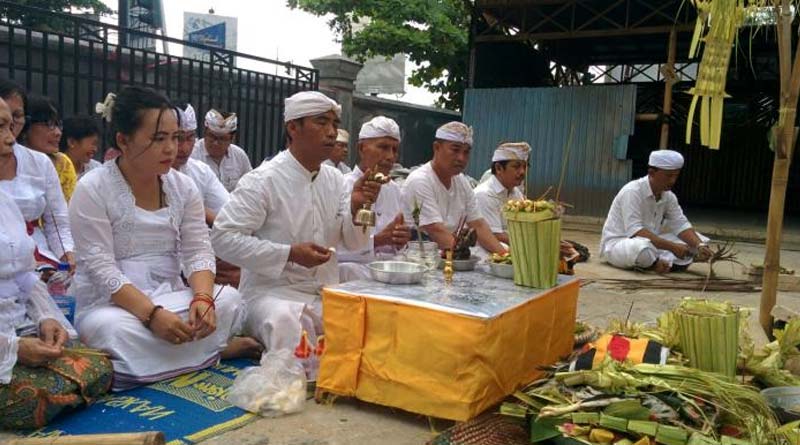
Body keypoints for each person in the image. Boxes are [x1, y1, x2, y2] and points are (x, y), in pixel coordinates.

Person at [69, 87, 257, 391]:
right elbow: (103, 270)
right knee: (112, 330)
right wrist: (152, 315)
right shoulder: (92, 189)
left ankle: (174, 357)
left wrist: (203, 299)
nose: (172, 148)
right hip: (114, 306)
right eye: (159, 139)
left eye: (176, 137)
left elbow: (198, 251)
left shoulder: (183, 187)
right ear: (123, 141)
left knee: (230, 301)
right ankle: (210, 351)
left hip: (172, 296)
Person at [211, 91, 381, 369]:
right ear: (293, 127)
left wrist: (356, 208)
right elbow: (222, 238)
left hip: (323, 290)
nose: (331, 133)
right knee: (286, 321)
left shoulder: (337, 180)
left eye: (334, 125)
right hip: (271, 294)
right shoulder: (263, 180)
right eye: (321, 123)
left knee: (367, 316)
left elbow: (354, 242)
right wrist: (289, 254)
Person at [0, 97, 112, 429]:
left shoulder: (6, 201)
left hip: (16, 324)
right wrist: (15, 349)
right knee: (32, 397)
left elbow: (23, 277)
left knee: (101, 366)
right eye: (0, 127)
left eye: (10, 125)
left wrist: (48, 319)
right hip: (7, 341)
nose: (10, 138)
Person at [0, 79, 75, 272]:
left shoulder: (40, 163)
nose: (10, 127)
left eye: (17, 116)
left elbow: (57, 221)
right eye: (2, 121)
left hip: (38, 253)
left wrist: (66, 255)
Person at [401, 121, 506, 255]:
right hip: (421, 257)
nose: (461, 158)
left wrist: (504, 257)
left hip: (453, 253)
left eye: (466, 152)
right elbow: (435, 230)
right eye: (455, 150)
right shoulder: (420, 180)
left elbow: (478, 224)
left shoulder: (461, 181)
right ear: (437, 148)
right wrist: (464, 255)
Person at [600, 149, 713, 273]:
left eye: (676, 175)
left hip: (651, 242)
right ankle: (654, 264)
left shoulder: (668, 196)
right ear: (652, 172)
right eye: (669, 176)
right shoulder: (632, 191)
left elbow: (680, 224)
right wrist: (673, 247)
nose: (673, 181)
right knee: (642, 249)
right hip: (620, 245)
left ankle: (655, 262)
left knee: (699, 241)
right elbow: (635, 231)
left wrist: (700, 246)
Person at [337, 116, 412, 281]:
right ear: (362, 148)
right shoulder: (341, 186)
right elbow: (332, 250)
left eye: (394, 149)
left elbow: (398, 246)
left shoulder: (394, 190)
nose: (390, 156)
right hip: (354, 274)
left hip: (390, 271)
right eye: (383, 147)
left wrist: (401, 241)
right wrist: (379, 240)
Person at [173, 103, 230, 225]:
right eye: (178, 138)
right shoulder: (149, 173)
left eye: (190, 138)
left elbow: (228, 212)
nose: (184, 148)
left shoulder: (201, 172)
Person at [20, 95, 78, 202]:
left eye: (59, 125)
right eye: (49, 124)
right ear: (26, 126)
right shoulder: (9, 163)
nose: (58, 133)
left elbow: (67, 211)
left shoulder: (62, 163)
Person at [474, 142, 530, 244]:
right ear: (499, 168)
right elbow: (496, 235)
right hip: (485, 255)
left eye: (525, 167)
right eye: (516, 167)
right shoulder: (483, 195)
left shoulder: (516, 193)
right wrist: (531, 243)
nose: (522, 172)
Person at [191, 108, 252, 191]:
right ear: (205, 133)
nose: (215, 143)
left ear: (232, 139)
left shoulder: (239, 156)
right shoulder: (192, 154)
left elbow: (249, 187)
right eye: (212, 136)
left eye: (222, 138)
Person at [61, 115, 102, 179]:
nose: (95, 149)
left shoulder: (97, 169)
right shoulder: (54, 170)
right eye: (93, 144)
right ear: (71, 142)